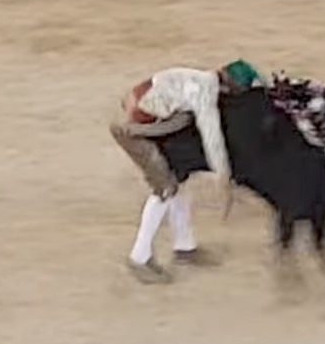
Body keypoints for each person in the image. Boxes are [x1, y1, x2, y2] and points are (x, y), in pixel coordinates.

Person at [110, 59, 265, 284]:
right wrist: (224, 176)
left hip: (144, 117)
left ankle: (184, 247)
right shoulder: (205, 94)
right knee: (165, 189)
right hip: (133, 131)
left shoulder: (201, 79)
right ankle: (139, 258)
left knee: (178, 184)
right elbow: (212, 139)